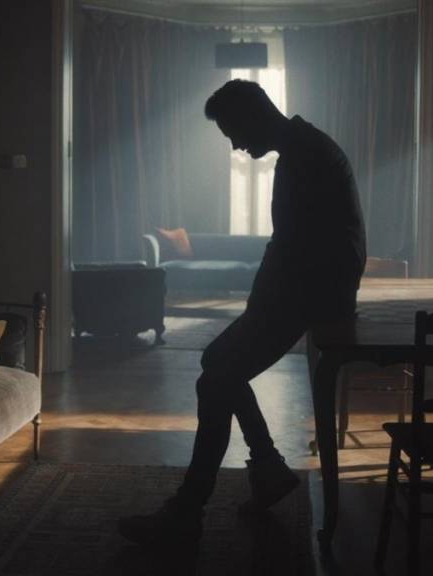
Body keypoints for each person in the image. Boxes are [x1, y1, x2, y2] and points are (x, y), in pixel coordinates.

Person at [118, 79, 367, 555]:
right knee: (217, 368)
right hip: (316, 292)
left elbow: (291, 248)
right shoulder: (307, 148)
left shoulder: (303, 157)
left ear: (253, 116)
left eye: (233, 132)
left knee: (216, 374)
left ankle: (193, 509)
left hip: (310, 295)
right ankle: (263, 469)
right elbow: (299, 244)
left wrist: (261, 304)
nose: (235, 145)